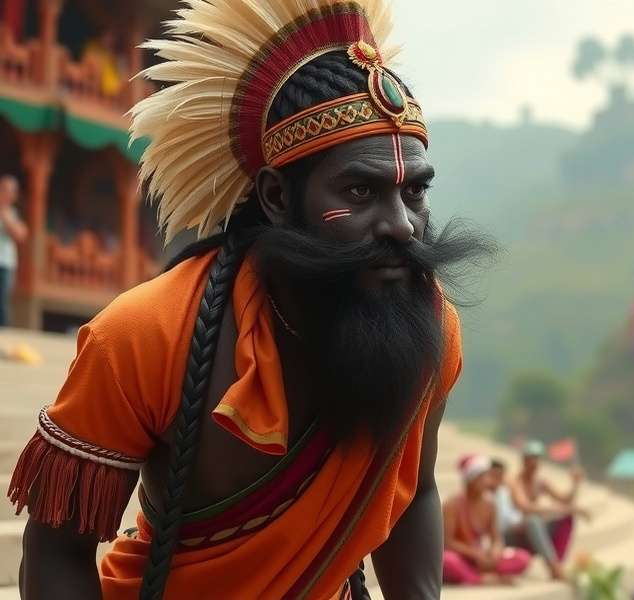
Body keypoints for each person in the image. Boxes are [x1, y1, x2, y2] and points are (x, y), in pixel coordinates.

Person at [8, 1, 495, 598]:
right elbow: (56, 549)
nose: (401, 224)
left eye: (414, 192)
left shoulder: (432, 325)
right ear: (276, 197)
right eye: (359, 191)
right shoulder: (143, 334)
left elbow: (414, 491)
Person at [505, 441, 590, 579]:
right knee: (533, 520)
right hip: (514, 533)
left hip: (534, 531)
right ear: (524, 460)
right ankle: (553, 567)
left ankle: (557, 563)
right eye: (531, 458)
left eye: (537, 459)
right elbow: (525, 506)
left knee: (566, 518)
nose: (534, 463)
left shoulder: (540, 482)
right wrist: (566, 508)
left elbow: (564, 499)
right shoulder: (515, 481)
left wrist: (575, 484)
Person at [442, 455, 530, 586]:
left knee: (522, 557)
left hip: (482, 559)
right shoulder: (452, 505)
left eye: (487, 477)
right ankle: (481, 579)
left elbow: (496, 538)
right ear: (470, 479)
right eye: (482, 477)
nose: (487, 481)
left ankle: (476, 575)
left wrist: (495, 552)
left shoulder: (490, 505)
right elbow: (448, 542)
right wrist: (475, 554)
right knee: (447, 561)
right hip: (461, 557)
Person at [0, 175, 28, 327]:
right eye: (3, 189)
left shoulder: (14, 214)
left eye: (10, 191)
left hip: (5, 263)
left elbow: (21, 234)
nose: (6, 193)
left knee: (2, 301)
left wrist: (5, 216)